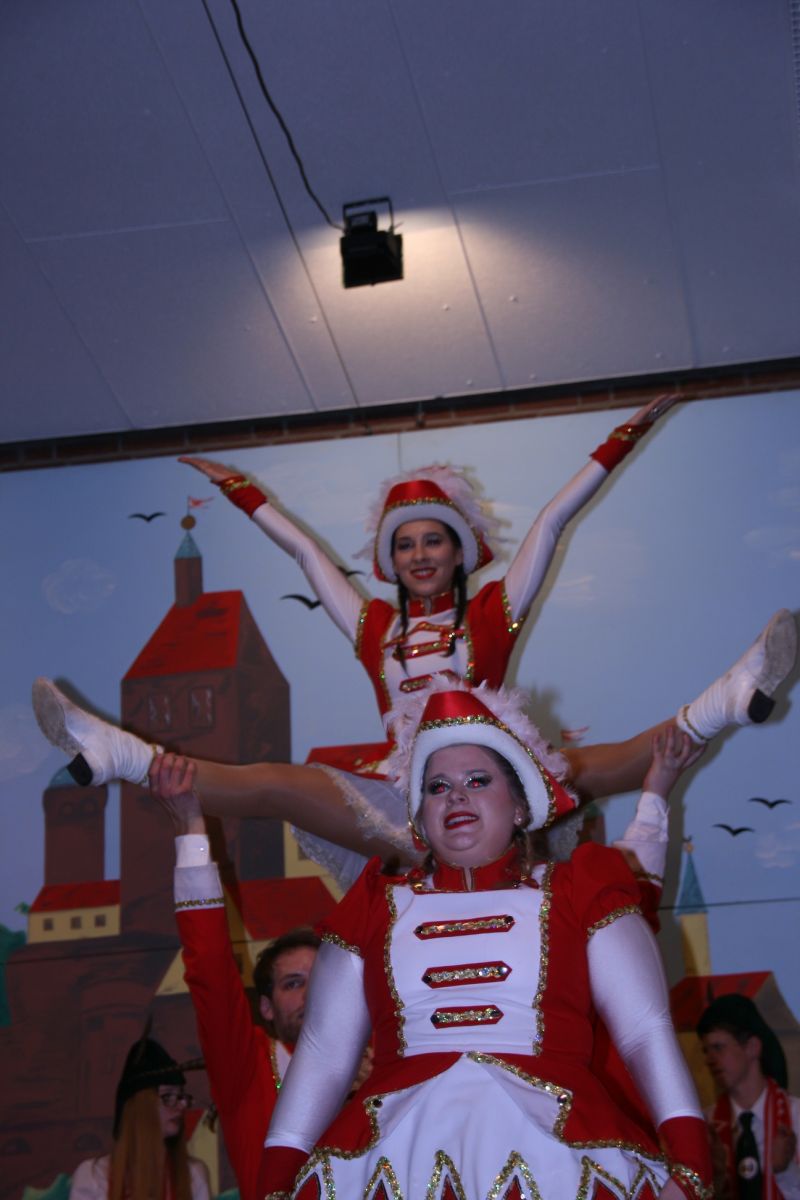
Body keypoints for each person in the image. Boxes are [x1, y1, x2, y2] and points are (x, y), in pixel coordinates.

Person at [31, 398, 797, 887]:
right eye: (405, 545)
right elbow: (305, 554)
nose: (420, 555)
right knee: (274, 785)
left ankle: (737, 695)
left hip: (500, 784)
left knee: (614, 761)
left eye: (434, 540)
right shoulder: (375, 629)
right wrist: (242, 492)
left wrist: (620, 440)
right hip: (406, 797)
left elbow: (551, 523)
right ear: (390, 561)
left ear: (460, 551)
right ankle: (117, 755)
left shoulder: (492, 613)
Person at [257, 680, 712, 1200]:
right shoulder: (371, 908)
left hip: (559, 1157)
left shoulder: (581, 893)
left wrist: (691, 1165)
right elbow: (323, 1056)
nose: (456, 796)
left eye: (477, 780)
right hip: (395, 1159)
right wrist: (275, 1185)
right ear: (420, 818)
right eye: (437, 787)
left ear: (519, 806)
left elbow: (644, 1031)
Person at [69, 1035, 211, 1200]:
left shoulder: (193, 1175)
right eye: (168, 1096)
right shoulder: (94, 1177)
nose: (182, 1105)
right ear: (139, 1107)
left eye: (181, 1096)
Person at [698, 994, 800, 1200]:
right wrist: (714, 1180)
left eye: (718, 1047)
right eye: (705, 1051)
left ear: (753, 1047)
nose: (709, 1059)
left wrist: (785, 1170)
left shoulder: (796, 1116)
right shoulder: (707, 1125)